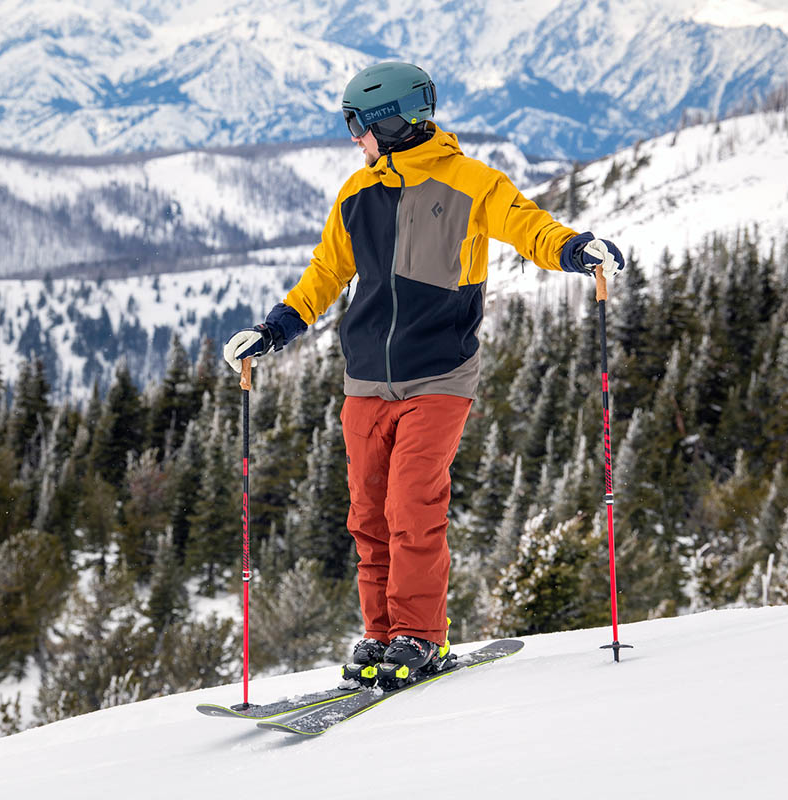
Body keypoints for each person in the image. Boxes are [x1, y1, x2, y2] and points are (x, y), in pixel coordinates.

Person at [223, 61, 624, 684]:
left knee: (413, 505)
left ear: (391, 120)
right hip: (365, 378)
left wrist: (576, 249)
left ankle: (419, 636)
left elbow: (530, 228)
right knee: (369, 516)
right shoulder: (356, 194)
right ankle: (383, 636)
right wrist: (275, 329)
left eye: (357, 125)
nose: (353, 138)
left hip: (440, 373)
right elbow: (325, 274)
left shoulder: (473, 183)